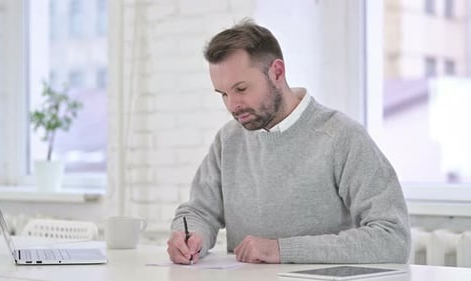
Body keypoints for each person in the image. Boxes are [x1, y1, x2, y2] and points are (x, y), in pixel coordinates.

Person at [167, 19, 411, 264]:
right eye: (224, 94)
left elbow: (393, 238)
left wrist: (282, 250)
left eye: (241, 88)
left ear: (277, 72)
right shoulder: (229, 139)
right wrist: (190, 235)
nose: (232, 105)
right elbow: (199, 211)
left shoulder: (341, 136)